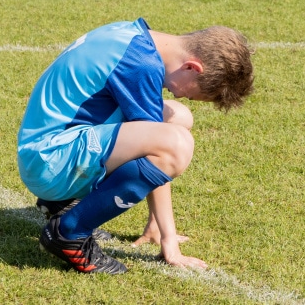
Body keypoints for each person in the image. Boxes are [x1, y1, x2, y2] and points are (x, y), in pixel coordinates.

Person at [17, 18, 254, 274]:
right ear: (192, 67)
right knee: (176, 143)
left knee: (178, 116)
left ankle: (62, 203)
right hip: (49, 162)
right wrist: (168, 239)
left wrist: (155, 225)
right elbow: (160, 145)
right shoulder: (140, 66)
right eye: (193, 92)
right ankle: (69, 233)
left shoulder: (135, 37)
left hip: (49, 149)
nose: (183, 95)